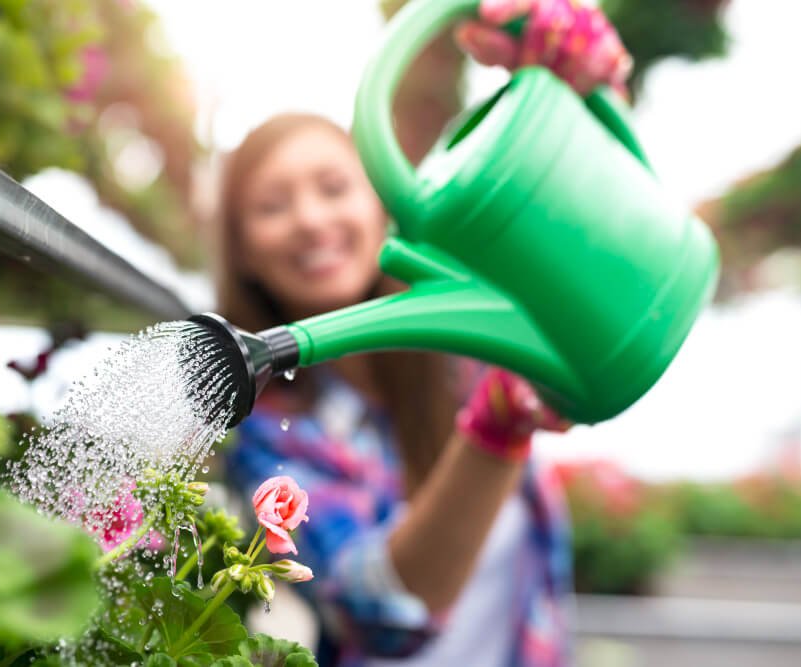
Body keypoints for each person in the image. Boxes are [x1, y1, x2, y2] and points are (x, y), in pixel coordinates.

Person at [214, 2, 631, 665]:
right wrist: (495, 432)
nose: (311, 219)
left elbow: (595, 232)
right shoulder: (267, 426)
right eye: (271, 206)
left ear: (382, 200)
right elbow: (378, 616)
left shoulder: (466, 337)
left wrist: (586, 83)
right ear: (242, 251)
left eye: (333, 187)